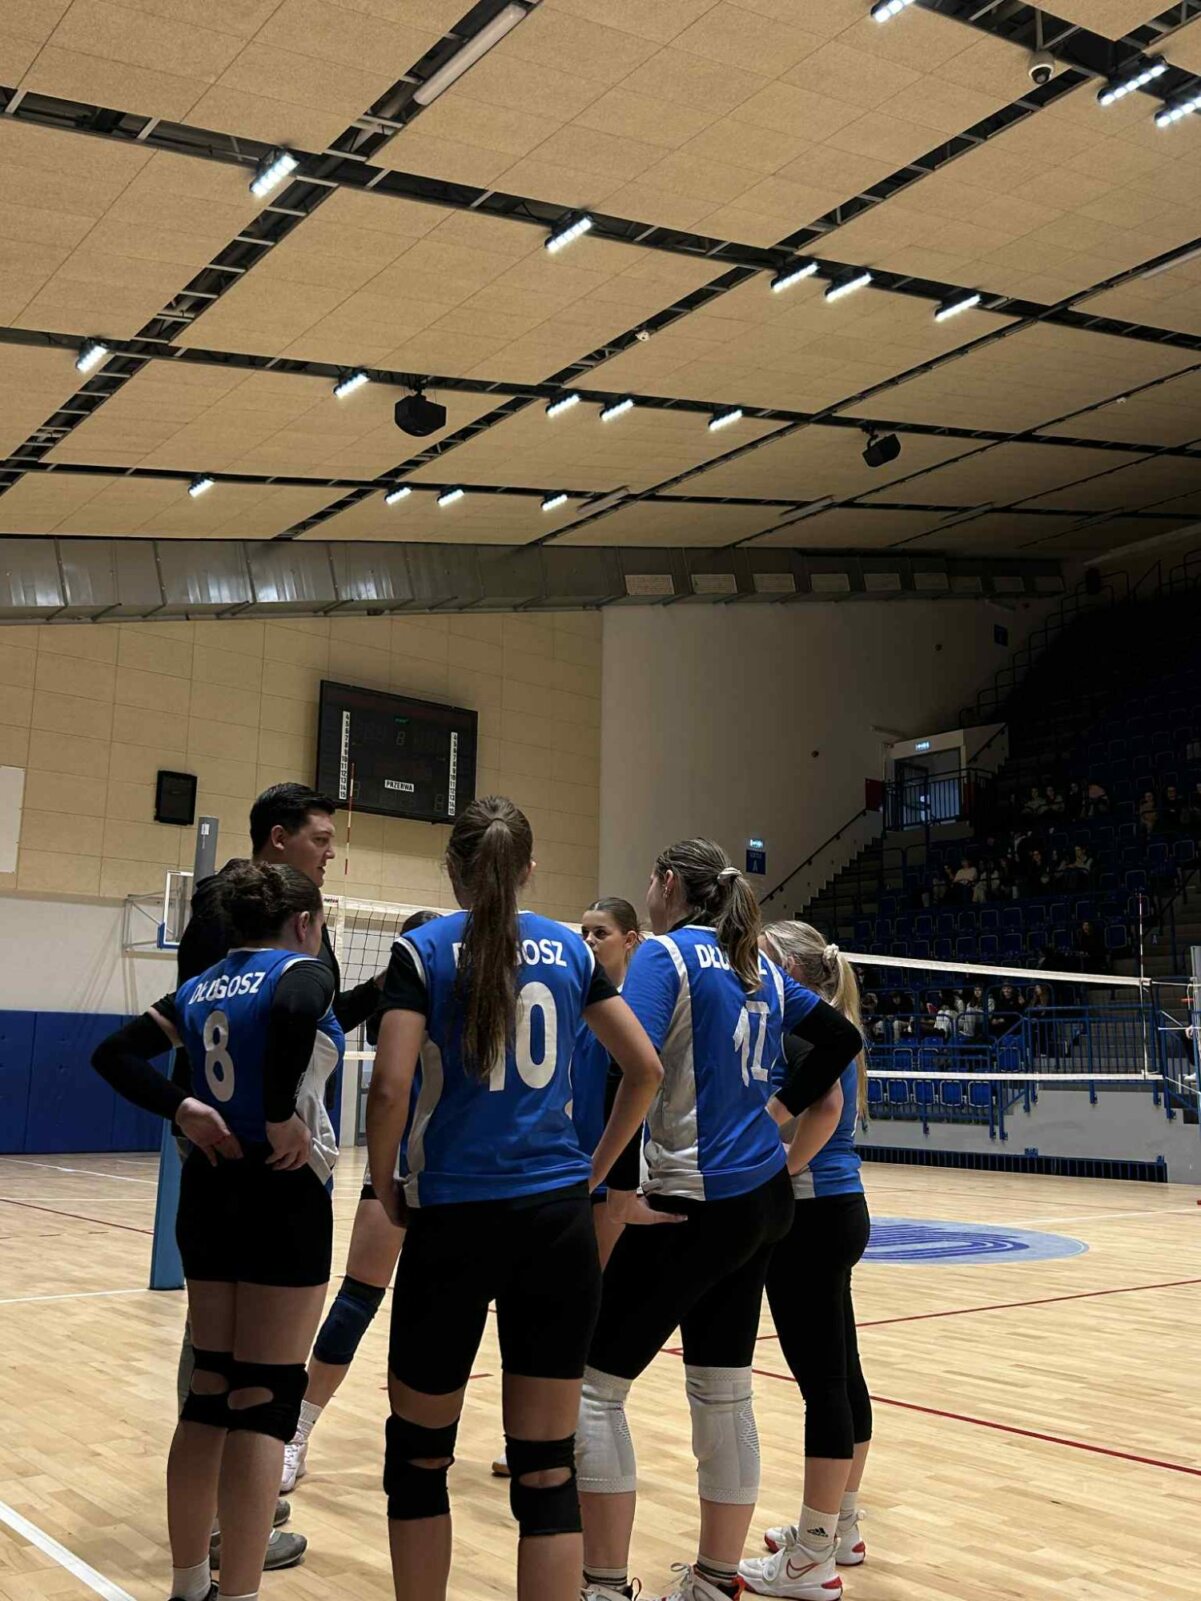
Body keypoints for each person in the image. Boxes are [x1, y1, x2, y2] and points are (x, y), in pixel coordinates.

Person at [367, 796, 663, 1601]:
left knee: (418, 1456)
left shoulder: (423, 949)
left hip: (453, 1219)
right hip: (554, 1222)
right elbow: (644, 1069)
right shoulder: (569, 948)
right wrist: (593, 1171)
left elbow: (389, 1085)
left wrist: (385, 1182)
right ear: (528, 868)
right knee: (545, 1468)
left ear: (451, 869)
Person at [575, 838, 863, 1601]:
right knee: (722, 1389)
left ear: (667, 883)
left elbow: (630, 1066)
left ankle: (603, 1586)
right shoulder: (753, 962)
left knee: (592, 1390)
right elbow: (841, 1038)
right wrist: (775, 1113)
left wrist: (609, 1186)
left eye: (650, 878)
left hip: (691, 1200)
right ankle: (711, 1582)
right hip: (762, 1199)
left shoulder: (666, 956)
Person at [92, 863, 344, 1601]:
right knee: (266, 1400)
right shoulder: (301, 969)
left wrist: (181, 1106)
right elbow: (296, 1004)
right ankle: (239, 1593)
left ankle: (188, 1584)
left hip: (208, 1191)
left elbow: (112, 1054)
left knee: (210, 1390)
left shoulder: (200, 987)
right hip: (280, 1192)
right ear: (304, 922)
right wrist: (277, 1114)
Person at [173, 782, 384, 1569]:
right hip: (244, 1153)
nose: (330, 851)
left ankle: (230, 1515)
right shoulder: (227, 911)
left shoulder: (297, 924)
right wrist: (261, 1114)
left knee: (239, 1367)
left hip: (268, 1149)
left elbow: (310, 1020)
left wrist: (384, 988)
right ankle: (223, 1532)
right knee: (226, 1366)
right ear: (276, 839)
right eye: (319, 837)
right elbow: (232, 1019)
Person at [281, 908, 440, 1494]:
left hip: (464, 1167)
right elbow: (390, 1084)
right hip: (399, 1159)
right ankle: (296, 1431)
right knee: (358, 1297)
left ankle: (532, 1435)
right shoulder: (395, 1000)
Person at [491, 894, 645, 1482]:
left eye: (600, 932)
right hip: (565, 1173)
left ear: (630, 940)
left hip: (606, 1175)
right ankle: (546, 1433)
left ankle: (567, 1435)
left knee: (586, 1306)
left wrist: (609, 1174)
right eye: (583, 931)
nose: (588, 941)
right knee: (556, 1307)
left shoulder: (634, 1008)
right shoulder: (574, 1001)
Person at [739, 922, 872, 1600]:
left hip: (813, 1214)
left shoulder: (800, 1028)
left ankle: (810, 1559)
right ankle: (838, 1527)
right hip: (842, 1207)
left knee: (823, 1386)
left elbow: (824, 1107)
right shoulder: (832, 1022)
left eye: (760, 956)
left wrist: (780, 1170)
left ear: (787, 966)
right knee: (841, 1376)